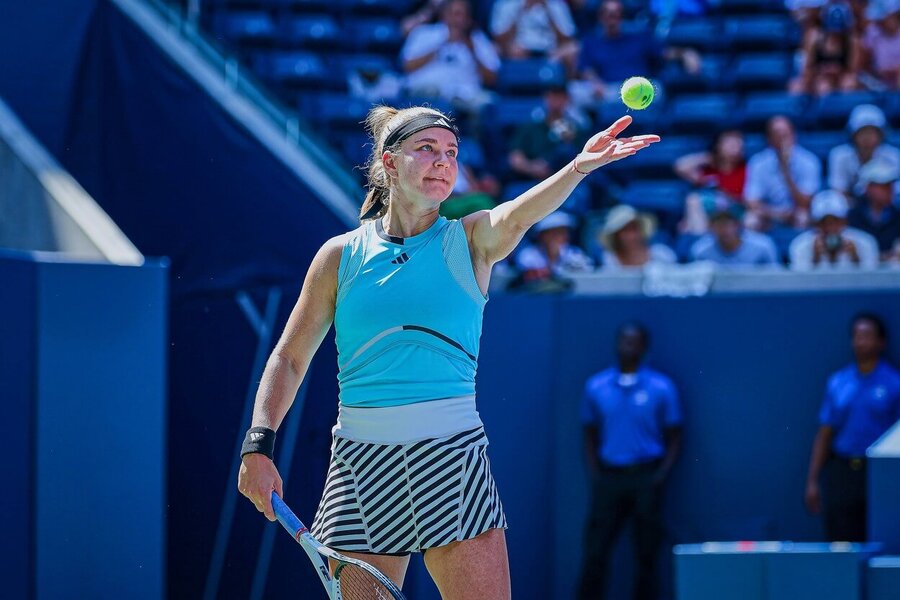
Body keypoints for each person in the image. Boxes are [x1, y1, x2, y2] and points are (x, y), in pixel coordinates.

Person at [237, 104, 659, 597]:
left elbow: (522, 213)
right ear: (390, 163)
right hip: (360, 467)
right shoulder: (340, 256)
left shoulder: (473, 237)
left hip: (452, 459)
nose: (443, 161)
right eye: (427, 149)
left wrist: (579, 167)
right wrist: (257, 444)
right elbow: (289, 358)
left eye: (452, 153)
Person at [579, 322, 683, 600]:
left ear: (644, 347)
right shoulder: (596, 385)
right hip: (610, 477)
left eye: (634, 341)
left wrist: (660, 474)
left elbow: (675, 434)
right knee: (595, 551)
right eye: (624, 340)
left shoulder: (662, 387)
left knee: (647, 554)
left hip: (647, 477)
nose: (628, 346)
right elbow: (588, 432)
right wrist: (596, 474)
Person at [805, 313, 900, 542]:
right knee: (841, 539)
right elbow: (825, 433)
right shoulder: (838, 382)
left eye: (867, 336)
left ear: (881, 342)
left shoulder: (894, 383)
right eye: (857, 336)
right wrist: (813, 480)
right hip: (843, 471)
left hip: (879, 474)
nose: (861, 342)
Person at [573, 0, 700, 106]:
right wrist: (595, 83)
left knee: (657, 89)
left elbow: (665, 53)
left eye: (616, 14)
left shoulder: (640, 37)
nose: (612, 19)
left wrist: (685, 53)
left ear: (622, 17)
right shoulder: (591, 42)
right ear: (600, 17)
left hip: (639, 89)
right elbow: (586, 69)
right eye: (608, 14)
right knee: (576, 91)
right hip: (608, 91)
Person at [401, 0, 500, 113]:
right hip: (427, 94)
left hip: (464, 98)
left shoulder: (477, 39)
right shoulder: (424, 33)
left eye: (462, 15)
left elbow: (491, 78)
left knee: (489, 102)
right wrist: (440, 45)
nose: (458, 20)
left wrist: (471, 49)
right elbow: (407, 66)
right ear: (444, 15)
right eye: (454, 14)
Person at [744, 115, 822, 233]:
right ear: (769, 139)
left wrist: (786, 171)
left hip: (797, 211)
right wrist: (775, 213)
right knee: (750, 220)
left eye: (786, 134)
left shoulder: (809, 161)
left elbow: (805, 202)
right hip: (769, 213)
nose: (782, 138)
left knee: (803, 217)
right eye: (777, 134)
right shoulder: (758, 162)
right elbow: (752, 201)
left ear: (794, 135)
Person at [675, 129, 748, 235]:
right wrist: (708, 157)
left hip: (736, 213)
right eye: (730, 143)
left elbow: (749, 200)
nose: (735, 147)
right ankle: (701, 239)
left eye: (738, 143)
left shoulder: (747, 169)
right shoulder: (709, 169)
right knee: (693, 200)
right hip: (710, 217)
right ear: (718, 145)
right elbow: (680, 166)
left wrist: (725, 197)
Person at [789, 189, 880, 270]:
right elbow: (800, 284)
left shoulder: (865, 243)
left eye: (835, 222)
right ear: (815, 224)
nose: (829, 228)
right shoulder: (800, 246)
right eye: (823, 223)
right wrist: (814, 259)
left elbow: (873, 282)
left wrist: (855, 258)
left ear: (844, 221)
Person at [828, 104, 900, 200]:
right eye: (863, 132)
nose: (867, 137)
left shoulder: (893, 155)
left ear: (881, 134)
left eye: (872, 132)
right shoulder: (839, 155)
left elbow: (893, 191)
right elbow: (837, 191)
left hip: (882, 205)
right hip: (850, 206)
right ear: (853, 134)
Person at [789, 1, 861, 95]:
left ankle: (844, 107)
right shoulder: (814, 38)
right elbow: (807, 69)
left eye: (839, 32)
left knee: (849, 83)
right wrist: (822, 70)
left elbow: (853, 71)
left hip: (841, 78)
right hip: (819, 77)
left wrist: (838, 71)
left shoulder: (852, 41)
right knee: (821, 86)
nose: (836, 35)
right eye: (833, 31)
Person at [490, 0, 579, 74]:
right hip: (519, 49)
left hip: (551, 51)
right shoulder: (506, 4)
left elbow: (566, 39)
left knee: (573, 48)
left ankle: (565, 90)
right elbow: (499, 38)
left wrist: (548, 11)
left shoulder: (557, 4)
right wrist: (520, 10)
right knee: (500, 49)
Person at [689, 204, 780, 268]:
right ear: (711, 228)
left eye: (727, 225)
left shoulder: (763, 246)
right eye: (718, 225)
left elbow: (775, 277)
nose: (724, 230)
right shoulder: (700, 251)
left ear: (738, 226)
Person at [514, 210, 594, 282]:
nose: (561, 236)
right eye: (555, 233)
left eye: (563, 232)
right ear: (542, 235)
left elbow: (588, 273)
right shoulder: (528, 255)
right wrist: (552, 256)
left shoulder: (575, 254)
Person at [848, 158, 900, 262]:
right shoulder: (852, 217)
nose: (890, 190)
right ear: (868, 187)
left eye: (890, 185)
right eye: (883, 186)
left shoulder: (898, 215)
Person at [597, 205, 677, 270]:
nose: (631, 235)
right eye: (625, 231)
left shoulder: (662, 255)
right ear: (616, 236)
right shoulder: (610, 260)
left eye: (634, 229)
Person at [858, 0, 900, 90]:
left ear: (893, 16)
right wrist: (877, 72)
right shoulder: (872, 31)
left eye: (882, 20)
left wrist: (896, 70)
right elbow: (862, 64)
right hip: (878, 83)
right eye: (877, 20)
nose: (878, 24)